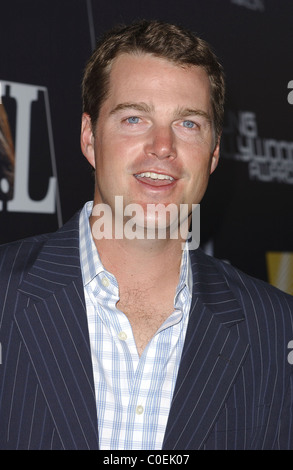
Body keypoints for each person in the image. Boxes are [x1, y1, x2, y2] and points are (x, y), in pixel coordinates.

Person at [0, 19, 293, 451]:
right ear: (89, 138)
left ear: (213, 153)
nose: (162, 146)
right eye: (135, 118)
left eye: (188, 123)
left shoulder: (276, 328)